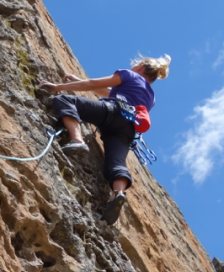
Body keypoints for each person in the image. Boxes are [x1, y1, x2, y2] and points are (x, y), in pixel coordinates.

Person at [37, 55, 171, 225]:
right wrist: (78, 80)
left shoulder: (129, 75)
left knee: (64, 100)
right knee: (117, 163)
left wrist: (58, 87)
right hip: (127, 129)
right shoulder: (151, 96)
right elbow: (110, 93)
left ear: (140, 67)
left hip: (113, 111)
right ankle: (118, 194)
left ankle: (77, 140)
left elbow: (94, 84)